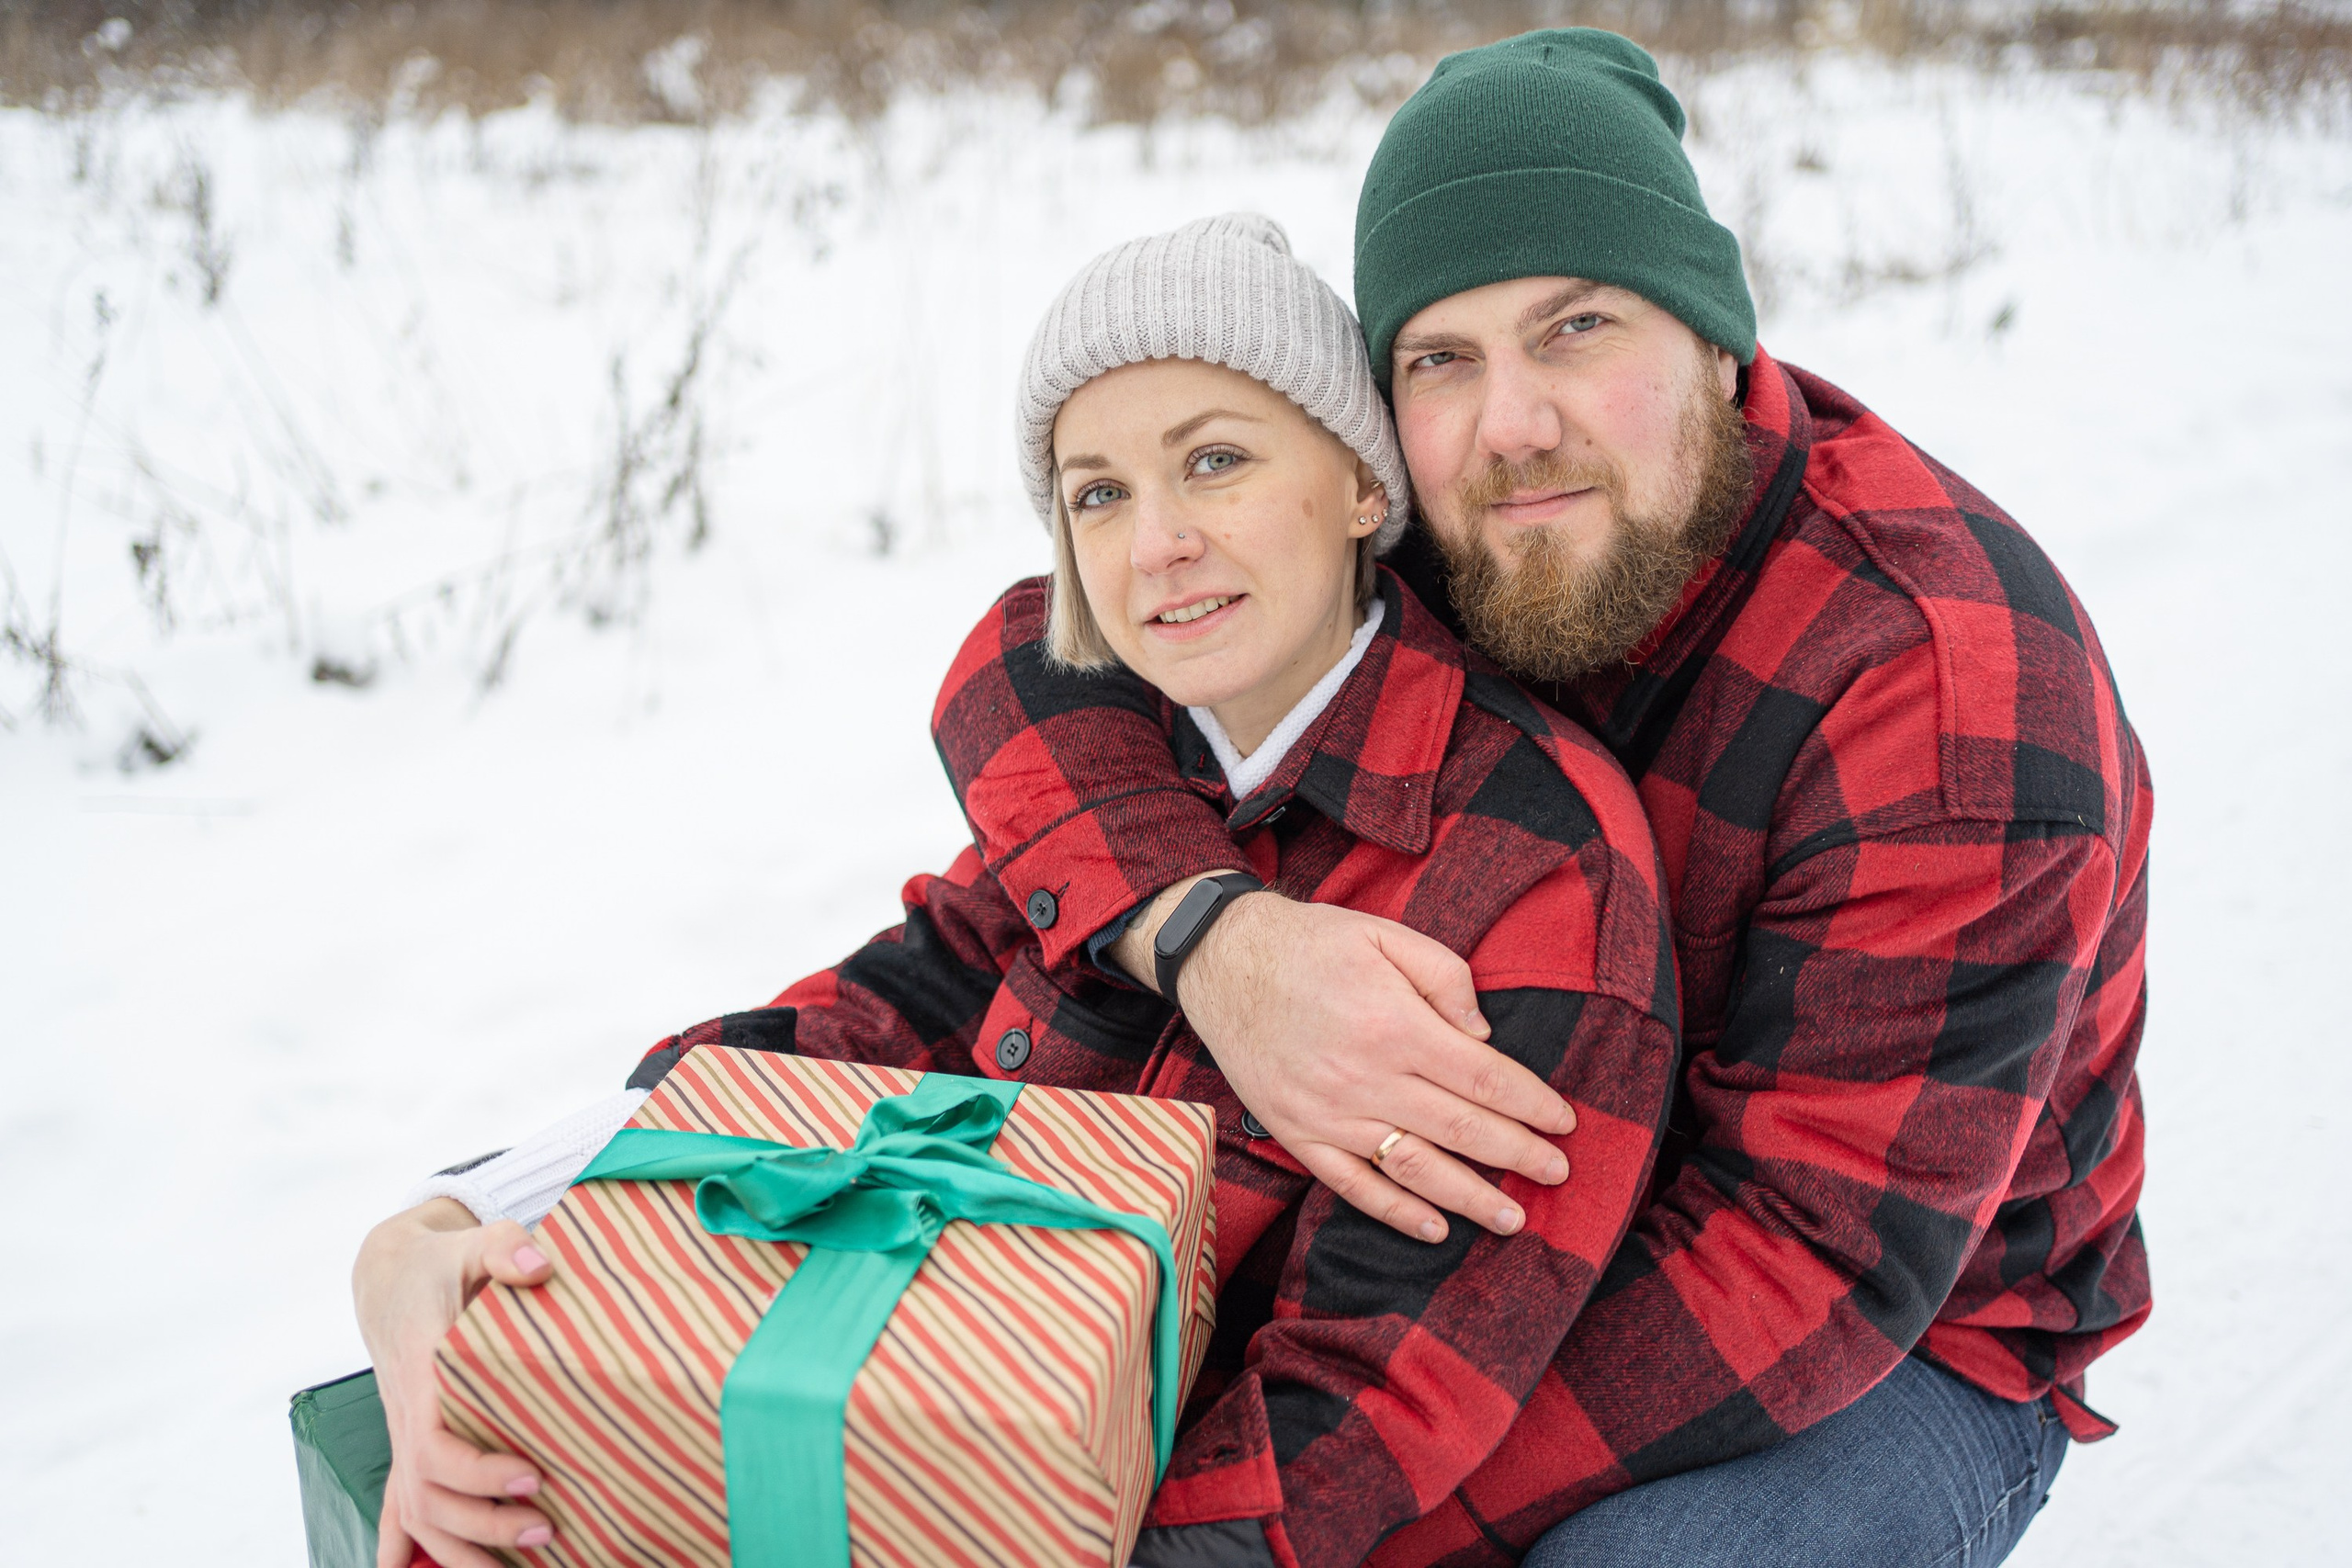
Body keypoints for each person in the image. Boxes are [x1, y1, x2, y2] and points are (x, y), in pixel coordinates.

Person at [926, 28, 2152, 1568]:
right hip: (1494, 1233)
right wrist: (1210, 938)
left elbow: (1810, 1268)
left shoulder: (1948, 686)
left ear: (1716, 338)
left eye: (1575, 328)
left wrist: (1304, 1504)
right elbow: (1038, 664)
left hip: (1896, 1338)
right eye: (1442, 357)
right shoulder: (1468, 507)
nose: (1511, 422)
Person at [354, 213, 1681, 1568]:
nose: (1155, 541)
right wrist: (475, 1214)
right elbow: (887, 1012)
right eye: (1097, 493)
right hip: (928, 1414)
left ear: (1358, 484)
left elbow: (1361, 1424)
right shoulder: (1124, 758)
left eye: (1214, 462)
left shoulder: (1532, 871)